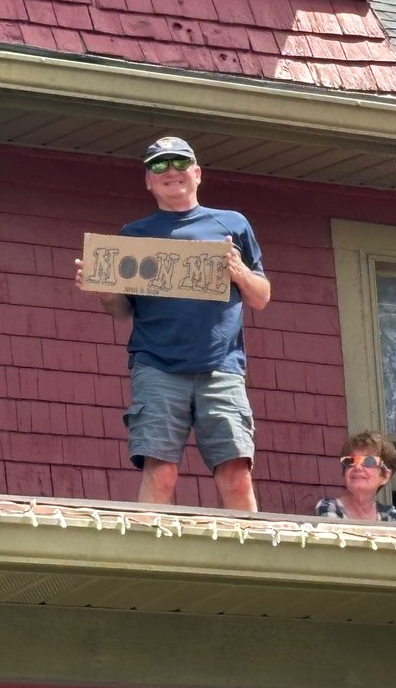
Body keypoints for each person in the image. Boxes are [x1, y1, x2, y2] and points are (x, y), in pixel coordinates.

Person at [74, 136, 270, 510]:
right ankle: (148, 560)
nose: (171, 172)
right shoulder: (134, 235)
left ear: (197, 173)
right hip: (156, 366)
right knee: (161, 472)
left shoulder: (232, 224)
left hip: (221, 368)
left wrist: (239, 271)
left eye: (180, 163)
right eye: (159, 166)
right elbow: (121, 311)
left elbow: (260, 296)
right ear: (148, 181)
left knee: (237, 475)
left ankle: (249, 564)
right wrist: (100, 289)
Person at [315, 430, 396, 523]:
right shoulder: (329, 507)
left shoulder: (395, 518)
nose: (357, 467)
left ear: (385, 476)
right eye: (350, 461)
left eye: (369, 461)